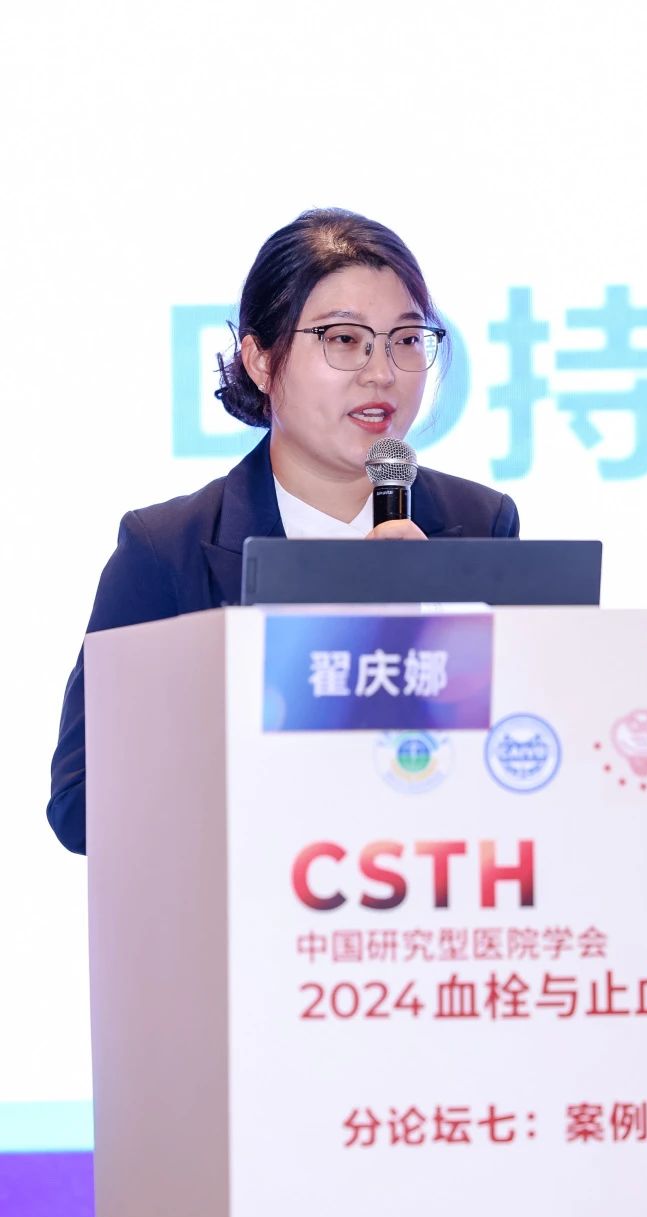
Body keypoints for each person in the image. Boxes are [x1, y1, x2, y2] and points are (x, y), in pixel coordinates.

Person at [48, 208, 520, 854]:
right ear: (261, 361)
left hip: (425, 902)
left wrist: (435, 627)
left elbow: (530, 759)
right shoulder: (167, 550)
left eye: (407, 339)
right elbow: (81, 806)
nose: (381, 372)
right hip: (253, 910)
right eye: (344, 339)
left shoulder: (481, 526)